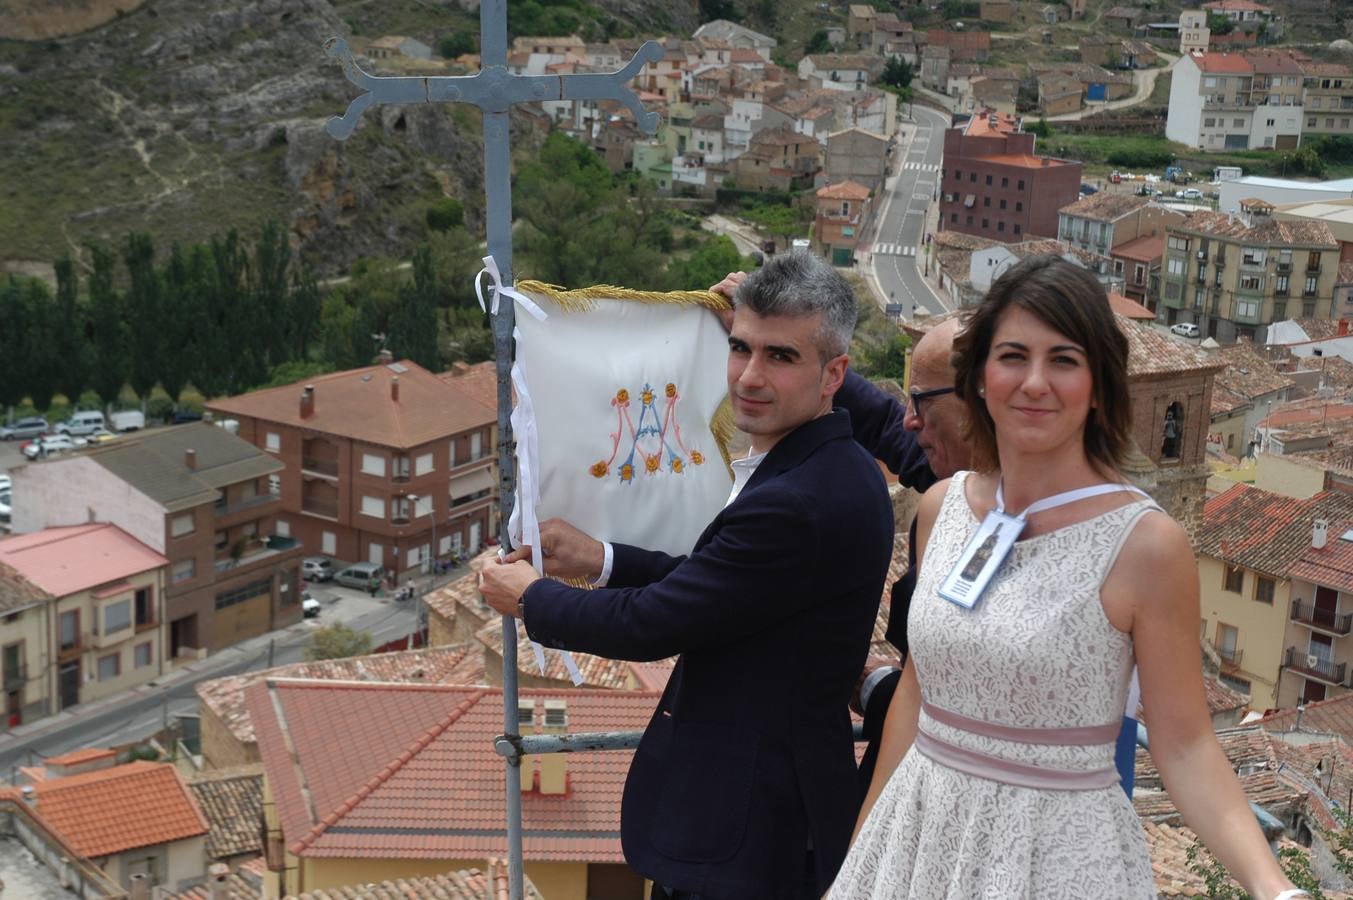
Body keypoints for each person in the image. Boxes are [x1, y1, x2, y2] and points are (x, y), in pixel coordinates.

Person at [829, 255, 1304, 899]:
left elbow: (1188, 747)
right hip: (918, 841)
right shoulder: (940, 507)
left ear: (1099, 384)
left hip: (1056, 858)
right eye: (1013, 356)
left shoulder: (1146, 545)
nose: (1034, 383)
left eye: (1064, 360)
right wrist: (864, 856)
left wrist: (1275, 889)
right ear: (979, 379)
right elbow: (917, 695)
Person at [479, 251, 895, 900]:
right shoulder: (828, 470)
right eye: (740, 348)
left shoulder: (799, 499)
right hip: (765, 819)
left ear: (833, 373)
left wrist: (530, 599)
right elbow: (723, 589)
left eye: (780, 356)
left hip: (752, 834)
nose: (749, 377)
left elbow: (654, 623)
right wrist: (601, 558)